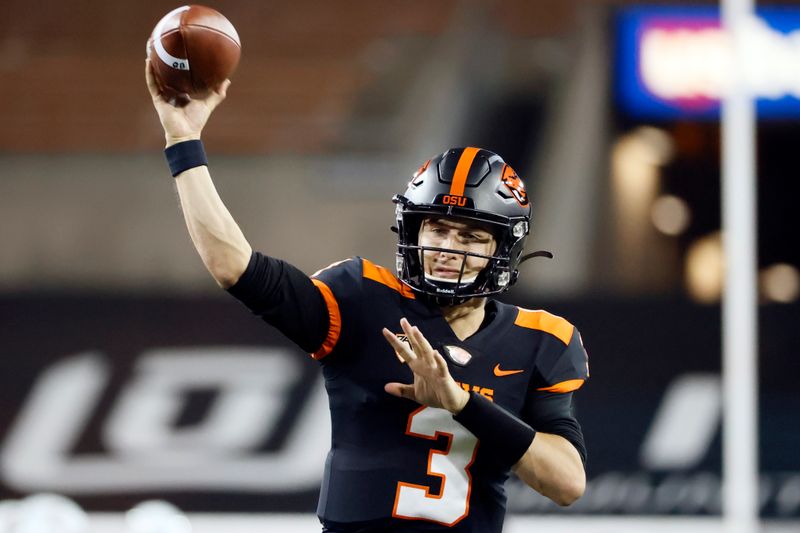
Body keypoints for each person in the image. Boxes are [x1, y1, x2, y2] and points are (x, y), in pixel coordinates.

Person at [145, 59, 589, 533]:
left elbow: (566, 483)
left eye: (471, 237)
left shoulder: (541, 339)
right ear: (412, 228)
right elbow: (235, 266)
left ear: (504, 249)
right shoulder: (361, 296)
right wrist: (182, 143)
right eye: (437, 228)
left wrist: (460, 403)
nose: (448, 249)